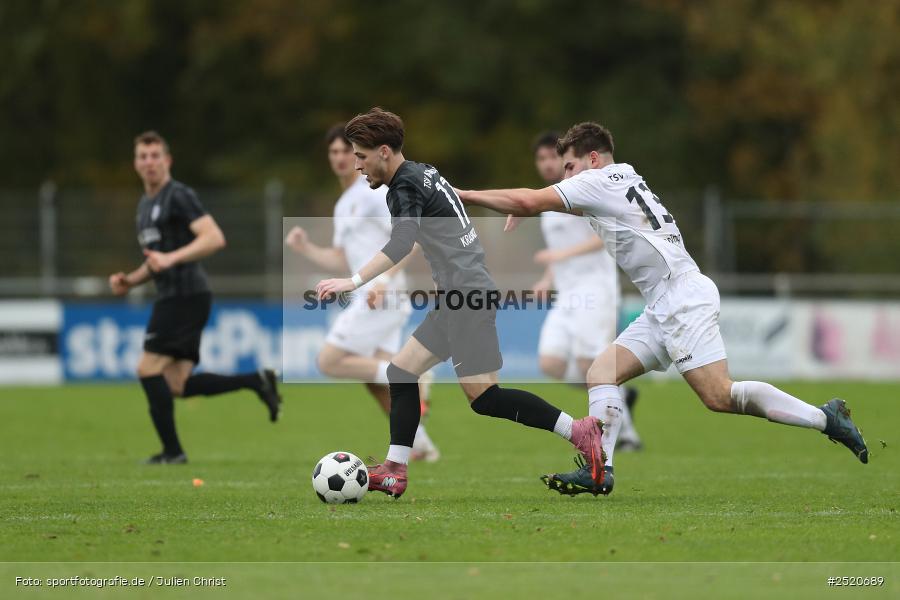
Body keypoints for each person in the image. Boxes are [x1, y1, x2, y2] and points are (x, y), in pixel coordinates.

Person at [458, 122, 868, 496]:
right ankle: (600, 470)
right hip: (666, 302)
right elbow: (539, 202)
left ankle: (825, 417)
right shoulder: (623, 177)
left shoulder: (597, 181)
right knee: (601, 373)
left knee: (719, 396)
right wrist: (525, 204)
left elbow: (534, 200)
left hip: (681, 299)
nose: (565, 177)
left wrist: (465, 195)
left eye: (569, 167)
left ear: (593, 160)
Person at [315, 108, 606, 499]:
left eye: (361, 156)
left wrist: (350, 281)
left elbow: (402, 243)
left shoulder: (403, 187)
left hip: (466, 296)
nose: (357, 165)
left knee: (485, 398)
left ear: (384, 151)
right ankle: (395, 470)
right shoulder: (424, 171)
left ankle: (578, 430)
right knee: (401, 373)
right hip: (461, 293)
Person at [109, 131, 281, 465]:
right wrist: (130, 281)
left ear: (167, 160)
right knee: (175, 383)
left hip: (183, 295)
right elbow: (155, 258)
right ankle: (255, 381)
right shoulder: (145, 205)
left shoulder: (178, 196)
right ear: (135, 163)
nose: (149, 162)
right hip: (182, 296)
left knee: (147, 369)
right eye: (143, 156)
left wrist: (171, 259)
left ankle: (173, 453)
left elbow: (214, 238)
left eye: (155, 155)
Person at [285, 124, 439, 462]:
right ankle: (421, 445)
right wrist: (306, 248)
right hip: (370, 295)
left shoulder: (371, 193)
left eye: (347, 152)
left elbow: (409, 240)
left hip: (382, 295)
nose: (341, 158)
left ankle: (411, 373)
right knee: (375, 383)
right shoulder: (344, 204)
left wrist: (384, 281)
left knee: (329, 360)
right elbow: (340, 257)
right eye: (334, 152)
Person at [530, 132, 642, 451]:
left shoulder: (585, 190)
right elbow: (557, 249)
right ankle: (619, 397)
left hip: (596, 290)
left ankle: (626, 435)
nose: (548, 164)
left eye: (553, 157)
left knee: (589, 364)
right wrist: (547, 277)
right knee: (550, 363)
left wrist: (559, 257)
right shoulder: (547, 203)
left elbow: (604, 236)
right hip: (567, 295)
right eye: (541, 159)